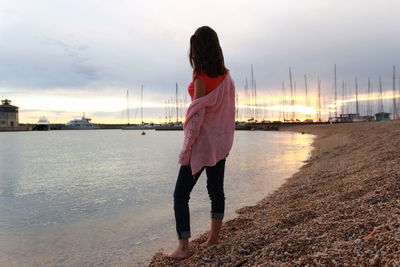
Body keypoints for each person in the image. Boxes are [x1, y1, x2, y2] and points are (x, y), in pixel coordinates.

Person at [168, 26, 236, 259]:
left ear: (197, 50)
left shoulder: (200, 76)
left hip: (202, 144)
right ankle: (213, 239)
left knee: (180, 195)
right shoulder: (227, 77)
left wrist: (187, 147)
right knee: (216, 191)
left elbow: (196, 117)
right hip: (220, 142)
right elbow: (227, 111)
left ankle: (184, 248)